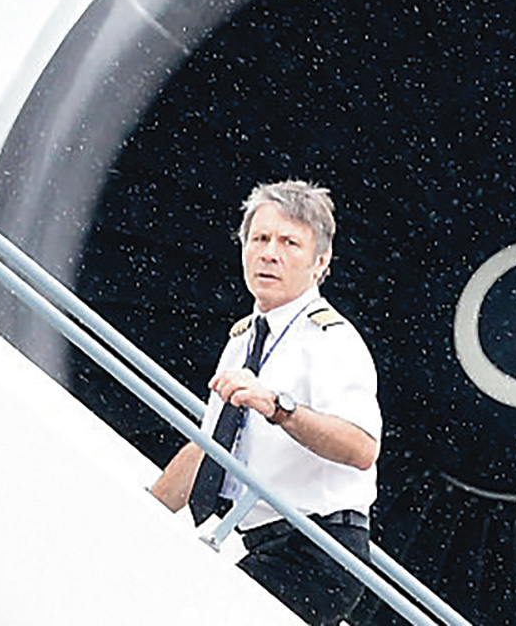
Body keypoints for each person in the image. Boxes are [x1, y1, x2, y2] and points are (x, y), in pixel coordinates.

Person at [150, 180, 382, 626]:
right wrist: (143, 513)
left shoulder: (332, 341)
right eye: (259, 239)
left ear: (321, 263)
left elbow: (362, 448)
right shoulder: (243, 340)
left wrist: (279, 407)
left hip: (318, 551)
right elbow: (210, 446)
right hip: (265, 544)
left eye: (289, 242)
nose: (269, 253)